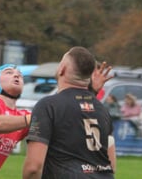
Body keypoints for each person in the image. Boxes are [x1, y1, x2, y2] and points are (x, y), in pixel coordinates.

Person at [22, 46, 115, 179]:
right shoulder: (102, 109)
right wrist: (92, 92)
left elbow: (33, 167)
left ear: (62, 69)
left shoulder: (48, 106)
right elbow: (112, 164)